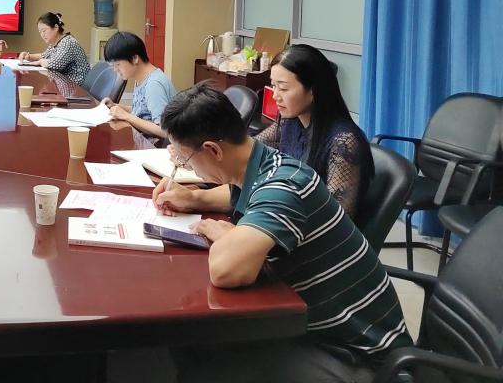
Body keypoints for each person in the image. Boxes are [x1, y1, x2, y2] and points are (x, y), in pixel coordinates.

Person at [153, 84, 410, 383]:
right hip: (320, 329)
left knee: (206, 358)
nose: (187, 168)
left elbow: (225, 271)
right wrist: (194, 198)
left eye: (185, 160)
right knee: (196, 343)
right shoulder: (265, 164)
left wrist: (229, 236)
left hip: (356, 356)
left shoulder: (285, 187)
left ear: (213, 150)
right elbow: (240, 194)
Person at [256, 44, 374, 218]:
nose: (275, 96)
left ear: (312, 91)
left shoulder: (343, 142)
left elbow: (337, 218)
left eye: (283, 88)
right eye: (273, 85)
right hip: (287, 214)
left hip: (316, 229)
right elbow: (251, 148)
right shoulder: (290, 122)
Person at [101, 31, 176, 142]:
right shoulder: (142, 78)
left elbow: (165, 130)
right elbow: (144, 112)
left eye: (118, 64)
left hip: (155, 147)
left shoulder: (154, 85)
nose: (115, 69)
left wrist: (126, 116)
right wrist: (116, 106)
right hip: (142, 141)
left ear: (135, 58)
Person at [18, 11, 90, 85]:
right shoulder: (55, 42)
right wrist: (29, 56)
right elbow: (45, 55)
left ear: (56, 27)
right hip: (65, 84)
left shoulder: (68, 42)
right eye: (40, 32)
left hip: (77, 87)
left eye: (44, 31)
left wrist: (40, 62)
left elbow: (55, 64)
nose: (42, 35)